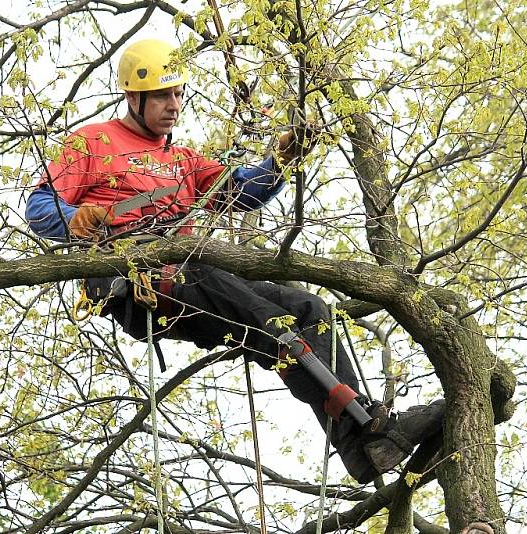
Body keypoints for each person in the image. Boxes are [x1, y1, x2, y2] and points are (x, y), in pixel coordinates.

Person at [25, 38, 443, 484]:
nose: (174, 105)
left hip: (197, 275)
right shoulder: (92, 143)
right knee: (272, 323)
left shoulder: (182, 162)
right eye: (164, 96)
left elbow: (239, 190)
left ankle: (360, 448)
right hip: (145, 283)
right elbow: (38, 207)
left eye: (179, 93)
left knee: (311, 311)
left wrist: (281, 160)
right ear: (133, 96)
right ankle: (370, 428)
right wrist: (77, 218)